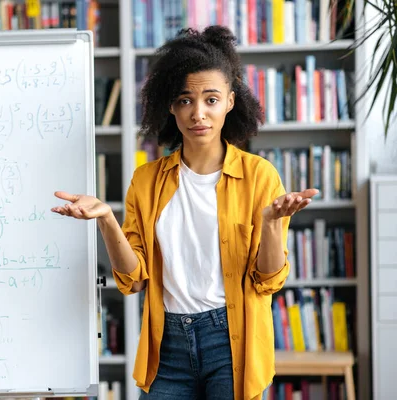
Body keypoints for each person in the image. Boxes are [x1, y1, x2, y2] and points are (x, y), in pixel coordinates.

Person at [52, 25, 318, 400]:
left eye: (211, 99)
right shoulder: (146, 181)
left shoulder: (259, 176)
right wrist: (106, 220)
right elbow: (134, 281)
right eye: (185, 100)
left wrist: (272, 224)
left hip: (231, 340)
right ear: (170, 106)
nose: (198, 114)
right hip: (167, 345)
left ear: (230, 101)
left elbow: (268, 280)